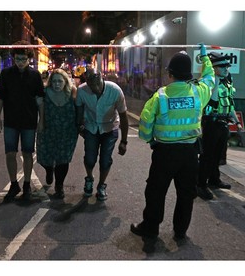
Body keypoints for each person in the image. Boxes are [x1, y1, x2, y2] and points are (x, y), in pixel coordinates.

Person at [130, 44, 215, 243]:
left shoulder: (160, 96)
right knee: (186, 193)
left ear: (170, 74)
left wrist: (150, 139)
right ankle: (180, 231)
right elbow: (210, 79)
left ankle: (150, 228)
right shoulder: (198, 93)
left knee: (156, 191)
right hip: (190, 153)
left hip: (164, 153)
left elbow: (145, 123)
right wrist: (204, 57)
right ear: (188, 74)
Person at [0, 40, 45, 202]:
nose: (21, 62)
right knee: (10, 153)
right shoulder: (6, 74)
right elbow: (0, 97)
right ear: (13, 58)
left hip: (29, 121)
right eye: (18, 59)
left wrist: (41, 120)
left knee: (28, 153)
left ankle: (27, 185)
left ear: (29, 58)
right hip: (10, 121)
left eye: (24, 59)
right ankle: (14, 184)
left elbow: (40, 99)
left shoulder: (35, 75)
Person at [75, 69, 129, 201]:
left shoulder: (115, 90)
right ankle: (89, 178)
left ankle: (101, 185)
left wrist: (124, 141)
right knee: (89, 158)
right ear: (87, 83)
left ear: (102, 79)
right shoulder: (82, 91)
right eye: (92, 85)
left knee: (105, 160)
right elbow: (79, 111)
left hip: (109, 128)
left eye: (98, 84)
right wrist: (79, 127)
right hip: (91, 127)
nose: (96, 88)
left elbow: (123, 116)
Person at [197, 52, 244, 200]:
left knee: (218, 155)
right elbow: (213, 102)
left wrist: (236, 121)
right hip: (211, 122)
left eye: (227, 66)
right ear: (214, 68)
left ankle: (214, 179)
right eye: (222, 67)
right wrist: (215, 81)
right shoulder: (208, 83)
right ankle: (200, 184)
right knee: (207, 156)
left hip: (223, 123)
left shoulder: (227, 81)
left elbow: (229, 104)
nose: (226, 69)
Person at [36, 68, 78, 199]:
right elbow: (40, 108)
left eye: (60, 81)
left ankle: (59, 186)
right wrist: (41, 123)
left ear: (65, 81)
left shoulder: (72, 92)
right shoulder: (45, 92)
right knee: (45, 156)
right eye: (54, 81)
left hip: (67, 131)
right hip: (49, 129)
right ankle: (49, 170)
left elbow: (79, 109)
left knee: (63, 160)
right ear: (50, 82)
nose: (57, 84)